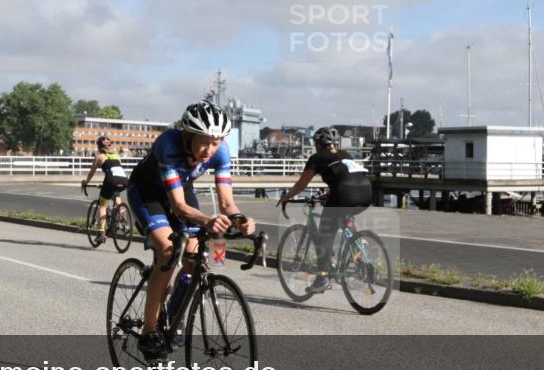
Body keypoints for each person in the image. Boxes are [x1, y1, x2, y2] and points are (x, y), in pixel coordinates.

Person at [127, 101, 256, 356]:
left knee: (194, 257)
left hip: (182, 191)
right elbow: (178, 207)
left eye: (216, 142)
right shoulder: (168, 145)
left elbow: (226, 202)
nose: (210, 150)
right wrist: (207, 220)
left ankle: (174, 316)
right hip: (148, 193)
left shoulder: (220, 151)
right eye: (204, 142)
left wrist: (240, 218)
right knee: (167, 250)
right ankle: (149, 332)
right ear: (187, 135)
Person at [278, 127, 372, 293]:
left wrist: (287, 196)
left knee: (324, 236)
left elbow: (301, 185)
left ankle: (322, 278)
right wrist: (330, 194)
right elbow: (345, 178)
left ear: (319, 143)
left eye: (315, 142)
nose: (315, 146)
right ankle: (358, 252)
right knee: (344, 216)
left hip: (344, 194)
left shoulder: (316, 158)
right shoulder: (345, 155)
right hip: (366, 193)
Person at [81, 136, 128, 245]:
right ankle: (123, 221)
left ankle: (101, 232)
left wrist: (86, 182)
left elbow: (91, 172)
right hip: (124, 180)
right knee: (117, 198)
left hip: (111, 180)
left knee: (103, 205)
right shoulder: (117, 155)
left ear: (99, 147)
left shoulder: (99, 156)